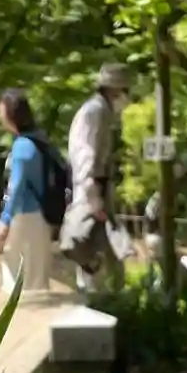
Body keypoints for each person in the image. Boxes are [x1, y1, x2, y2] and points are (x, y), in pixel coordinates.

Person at [62, 62, 133, 293]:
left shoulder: (103, 112)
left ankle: (107, 299)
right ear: (115, 90)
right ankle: (98, 302)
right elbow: (86, 154)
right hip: (92, 191)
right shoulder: (95, 112)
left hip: (97, 191)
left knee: (109, 260)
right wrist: (93, 196)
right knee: (95, 256)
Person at [0, 88, 54, 296]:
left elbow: (16, 186)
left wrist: (5, 220)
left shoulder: (22, 147)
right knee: (36, 275)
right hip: (41, 216)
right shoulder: (38, 141)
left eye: (1, 110)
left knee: (18, 274)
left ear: (11, 113)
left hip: (25, 216)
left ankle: (21, 313)